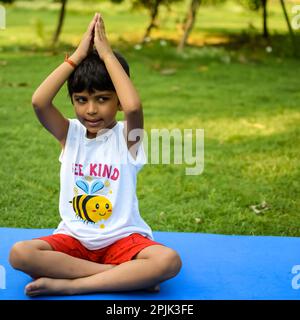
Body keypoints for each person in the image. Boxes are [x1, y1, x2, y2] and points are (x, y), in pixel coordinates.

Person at [9, 13, 182, 297]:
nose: (91, 110)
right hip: (73, 241)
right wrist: (77, 55)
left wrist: (105, 53)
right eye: (81, 100)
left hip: (123, 241)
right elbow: (39, 101)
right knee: (20, 254)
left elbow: (135, 107)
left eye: (102, 99)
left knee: (168, 261)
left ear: (117, 100)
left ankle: (71, 285)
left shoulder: (129, 137)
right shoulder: (70, 134)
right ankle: (124, 278)